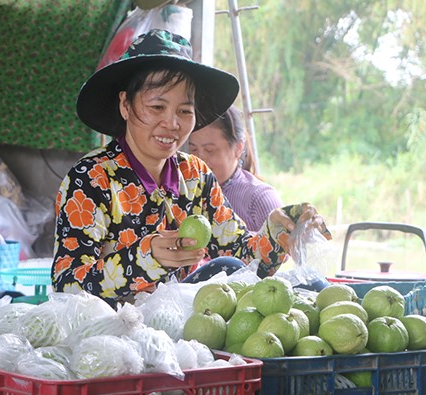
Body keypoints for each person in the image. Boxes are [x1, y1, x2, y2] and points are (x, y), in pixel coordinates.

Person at [51, 29, 329, 306]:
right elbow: (68, 284)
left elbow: (244, 260)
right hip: (114, 334)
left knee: (305, 284)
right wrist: (146, 258)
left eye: (184, 111)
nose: (172, 124)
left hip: (185, 329)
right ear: (125, 104)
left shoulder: (195, 175)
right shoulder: (91, 179)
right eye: (157, 107)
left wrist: (282, 227)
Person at [188, 106, 283, 231]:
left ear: (238, 148)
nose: (199, 160)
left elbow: (284, 248)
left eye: (210, 150)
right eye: (193, 149)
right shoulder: (185, 192)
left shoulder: (259, 199)